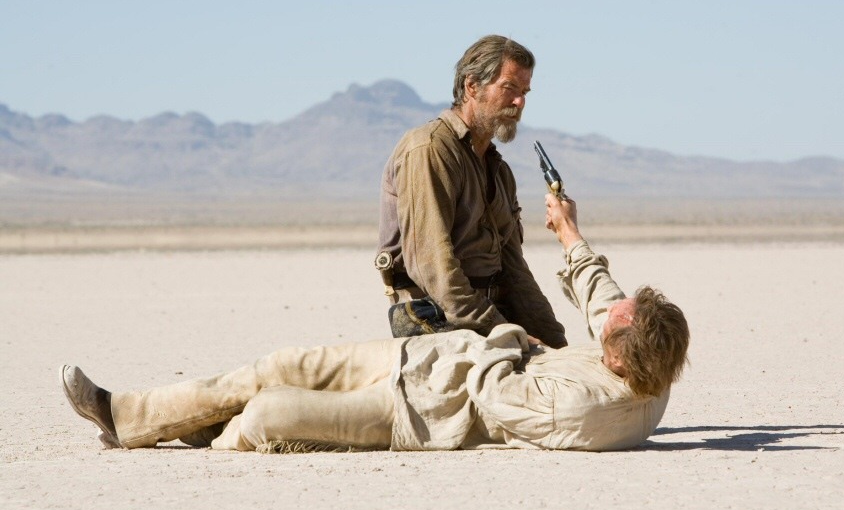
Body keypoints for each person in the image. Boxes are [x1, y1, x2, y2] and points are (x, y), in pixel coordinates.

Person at [61, 195, 689, 453]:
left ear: (619, 355)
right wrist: (569, 231)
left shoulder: (587, 409)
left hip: (422, 410)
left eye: (617, 322)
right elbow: (603, 297)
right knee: (278, 366)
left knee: (266, 414)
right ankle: (129, 415)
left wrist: (506, 340)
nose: (611, 312)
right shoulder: (643, 365)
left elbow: (497, 399)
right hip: (425, 359)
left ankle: (199, 431)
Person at [377, 34, 567, 347]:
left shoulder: (499, 171)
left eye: (524, 92)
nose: (519, 102)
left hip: (487, 313)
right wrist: (504, 333)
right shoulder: (430, 150)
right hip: (435, 314)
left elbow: (514, 270)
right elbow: (434, 266)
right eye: (509, 88)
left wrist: (554, 342)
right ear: (472, 86)